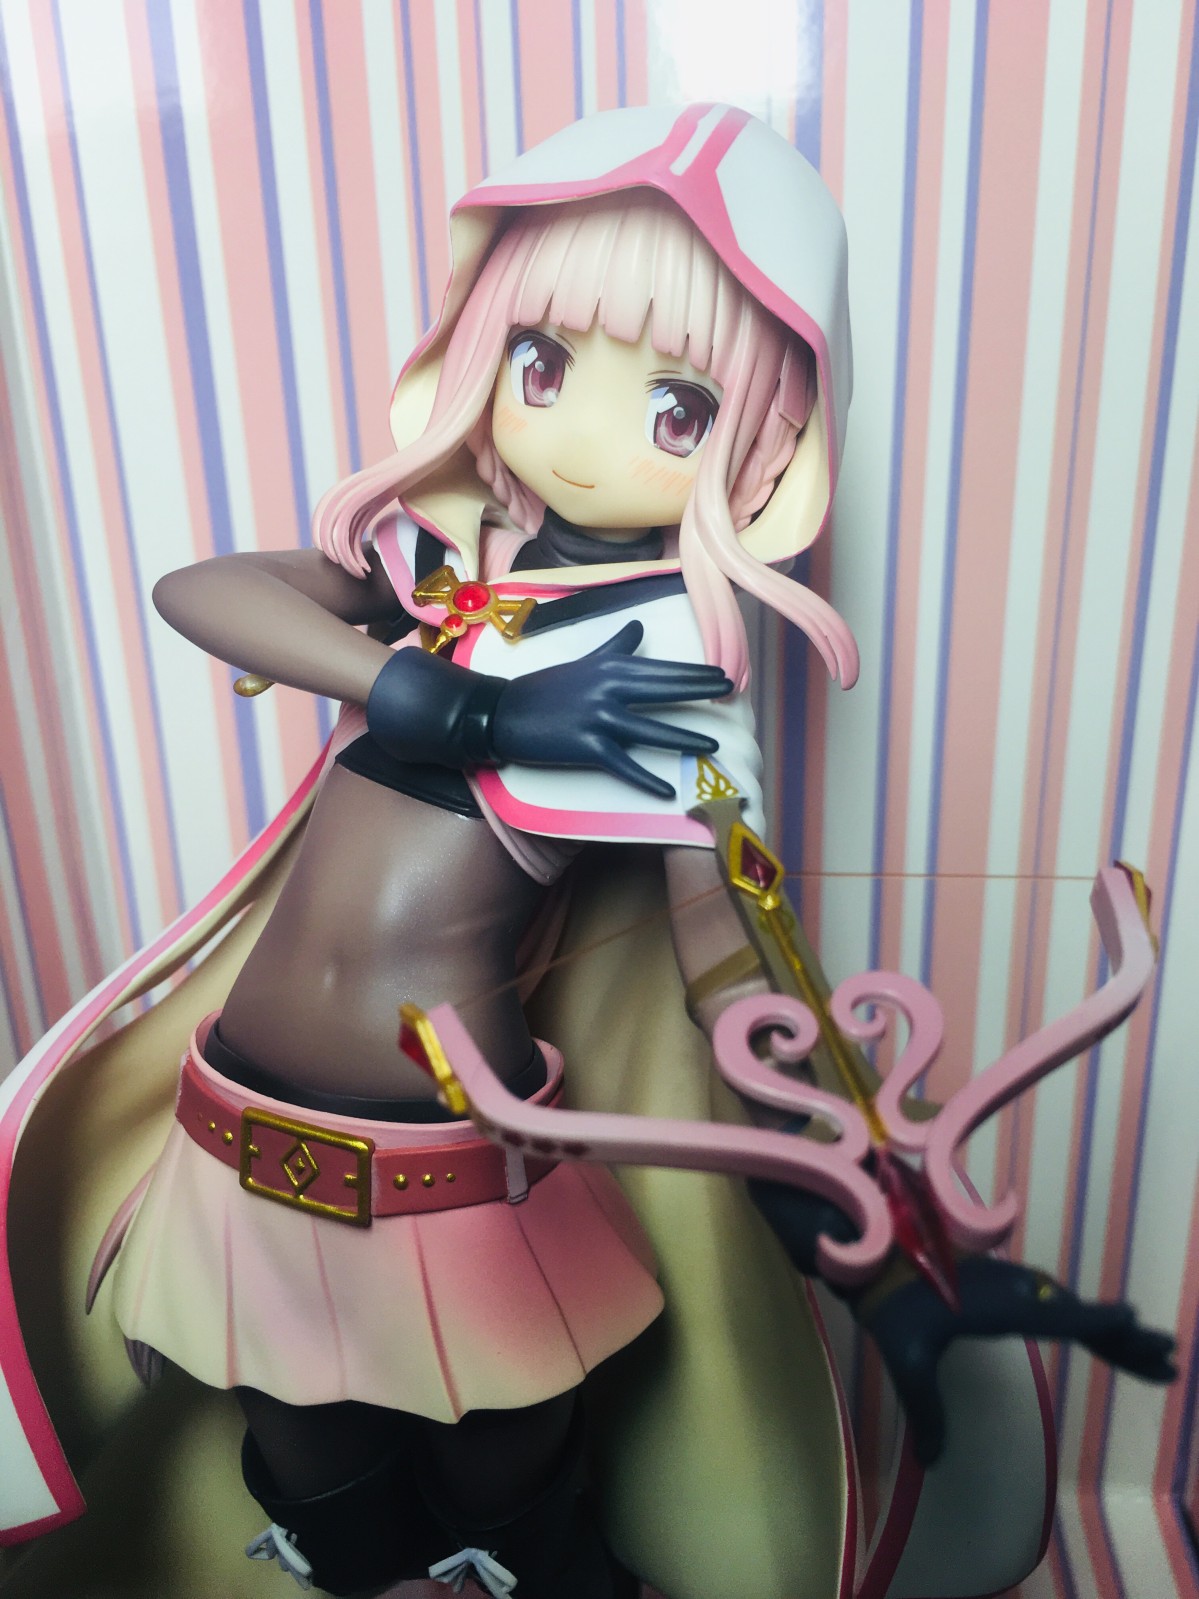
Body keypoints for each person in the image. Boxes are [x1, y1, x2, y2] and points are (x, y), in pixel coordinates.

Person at [0, 105, 1171, 1599]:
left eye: (676, 407)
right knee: (305, 1466)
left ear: (766, 445)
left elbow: (722, 949)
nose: (578, 432)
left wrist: (834, 1162)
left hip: (440, 1142)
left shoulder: (674, 666)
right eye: (541, 365)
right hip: (243, 1118)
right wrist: (452, 701)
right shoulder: (443, 571)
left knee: (509, 1475)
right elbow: (203, 589)